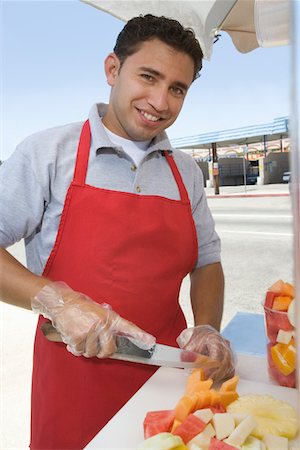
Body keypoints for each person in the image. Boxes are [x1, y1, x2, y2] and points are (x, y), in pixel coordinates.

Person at [0, 14, 234, 450]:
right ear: (113, 69)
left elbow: (207, 261)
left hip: (170, 382)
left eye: (177, 89)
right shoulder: (48, 154)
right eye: (149, 77)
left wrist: (206, 327)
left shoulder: (186, 172)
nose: (160, 101)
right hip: (74, 385)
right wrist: (58, 301)